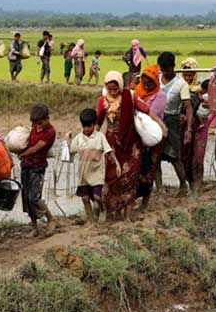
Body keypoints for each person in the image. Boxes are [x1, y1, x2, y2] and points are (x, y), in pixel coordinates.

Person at [96, 71, 164, 221]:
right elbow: (98, 122)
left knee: (131, 177)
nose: (113, 92)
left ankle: (127, 215)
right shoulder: (102, 101)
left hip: (131, 143)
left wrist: (160, 125)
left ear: (120, 86)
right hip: (112, 144)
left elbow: (147, 110)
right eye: (110, 89)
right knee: (113, 178)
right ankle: (113, 212)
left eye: (116, 89)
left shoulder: (130, 96)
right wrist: (91, 141)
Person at [68, 109, 119, 224]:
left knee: (97, 197)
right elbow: (71, 151)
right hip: (83, 175)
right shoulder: (79, 138)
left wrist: (117, 164)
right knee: (85, 198)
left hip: (96, 174)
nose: (86, 129)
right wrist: (68, 138)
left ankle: (102, 209)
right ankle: (91, 219)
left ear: (94, 125)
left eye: (89, 126)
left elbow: (109, 151)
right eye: (84, 126)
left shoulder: (100, 137)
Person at [157, 52, 191, 195]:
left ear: (173, 67)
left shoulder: (181, 84)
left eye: (167, 69)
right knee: (155, 157)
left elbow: (188, 107)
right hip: (156, 121)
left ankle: (183, 185)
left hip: (172, 122)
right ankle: (159, 188)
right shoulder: (154, 79)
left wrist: (189, 129)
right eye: (162, 69)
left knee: (174, 156)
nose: (165, 72)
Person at [135, 64, 167, 212]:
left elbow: (150, 114)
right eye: (145, 81)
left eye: (150, 82)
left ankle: (145, 202)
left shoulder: (160, 96)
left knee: (150, 170)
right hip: (138, 137)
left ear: (155, 81)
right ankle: (135, 198)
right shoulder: (137, 91)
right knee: (137, 169)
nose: (147, 85)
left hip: (153, 138)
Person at [18, 105, 55, 236]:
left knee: (34, 197)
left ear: (47, 119)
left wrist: (23, 154)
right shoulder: (34, 127)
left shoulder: (50, 132)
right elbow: (28, 142)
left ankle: (51, 219)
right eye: (34, 123)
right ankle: (35, 228)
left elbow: (35, 149)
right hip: (26, 165)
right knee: (27, 200)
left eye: (40, 123)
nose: (37, 125)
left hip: (37, 167)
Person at [179, 57, 208, 191]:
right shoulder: (177, 86)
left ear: (195, 74)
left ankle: (198, 185)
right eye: (185, 74)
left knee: (198, 155)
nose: (187, 77)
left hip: (199, 126)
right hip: (183, 126)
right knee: (184, 156)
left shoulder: (201, 88)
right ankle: (189, 184)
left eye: (190, 74)